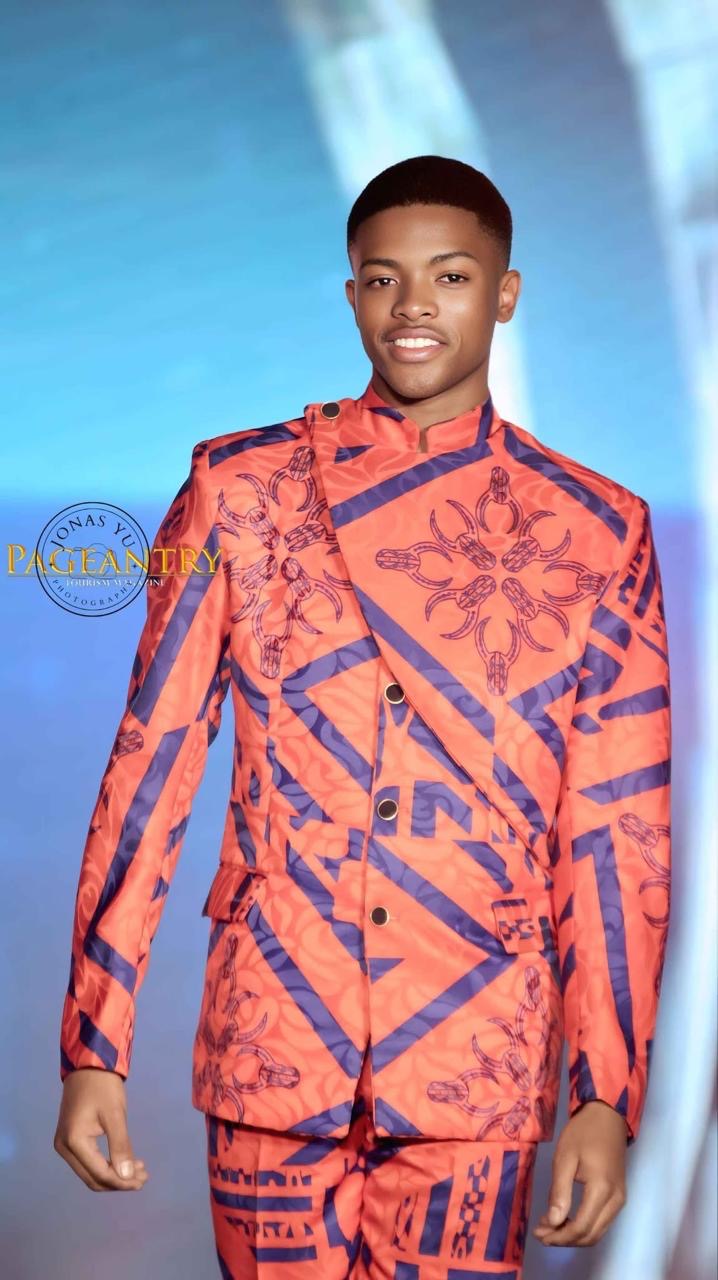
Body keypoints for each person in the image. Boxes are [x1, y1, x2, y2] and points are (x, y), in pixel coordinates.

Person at [54, 155, 672, 1278]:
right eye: (384, 279)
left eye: (450, 276)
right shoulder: (239, 489)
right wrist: (94, 1044)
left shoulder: (595, 529)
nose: (413, 305)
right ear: (351, 295)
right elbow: (151, 764)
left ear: (506, 293)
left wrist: (606, 1093)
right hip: (278, 1029)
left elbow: (616, 829)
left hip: (477, 1043)